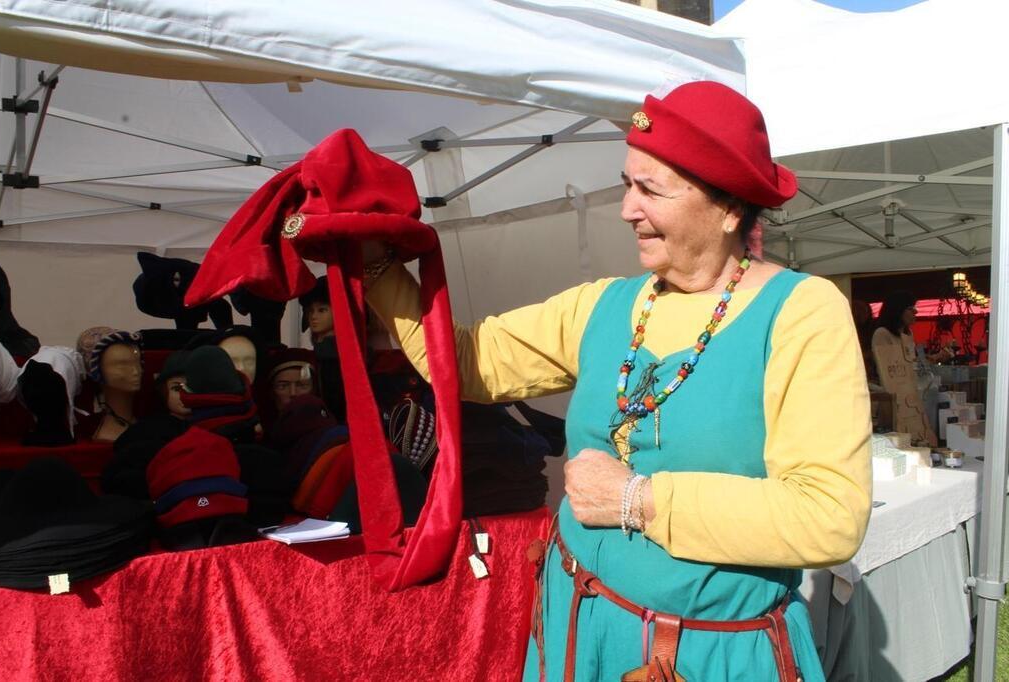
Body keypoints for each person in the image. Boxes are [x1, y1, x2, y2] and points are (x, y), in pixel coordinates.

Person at [362, 82, 871, 681]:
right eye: (627, 184)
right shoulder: (608, 304)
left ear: (729, 208)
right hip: (581, 622)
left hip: (707, 655)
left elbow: (829, 516)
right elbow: (469, 360)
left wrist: (637, 500)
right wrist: (375, 263)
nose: (627, 208)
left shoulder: (802, 310)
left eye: (649, 189)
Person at [871, 291, 939, 446]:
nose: (915, 312)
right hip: (897, 402)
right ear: (898, 310)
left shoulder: (907, 335)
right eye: (910, 308)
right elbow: (890, 375)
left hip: (913, 399)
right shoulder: (882, 334)